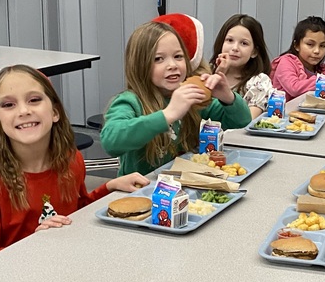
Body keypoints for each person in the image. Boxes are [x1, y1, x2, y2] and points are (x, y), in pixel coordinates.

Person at [0, 65, 147, 266]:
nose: (24, 111)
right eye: (8, 105)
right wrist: (33, 246)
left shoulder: (71, 160)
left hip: (67, 267)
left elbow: (77, 212)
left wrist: (110, 188)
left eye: (34, 100)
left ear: (55, 112)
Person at [100, 17, 251, 175]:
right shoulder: (129, 102)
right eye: (158, 59)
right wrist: (168, 114)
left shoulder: (190, 95)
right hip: (142, 192)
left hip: (184, 189)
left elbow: (242, 121)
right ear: (140, 65)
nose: (172, 65)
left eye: (178, 56)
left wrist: (227, 97)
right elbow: (111, 141)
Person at [210, 13, 273, 119]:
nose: (235, 48)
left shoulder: (259, 82)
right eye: (230, 40)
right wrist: (219, 74)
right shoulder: (206, 71)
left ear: (254, 52)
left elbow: (248, 121)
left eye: (244, 43)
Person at [269, 15, 325, 98]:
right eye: (310, 44)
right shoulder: (286, 62)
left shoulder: (323, 69)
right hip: (285, 110)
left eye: (322, 46)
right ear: (296, 45)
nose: (317, 51)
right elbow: (294, 88)